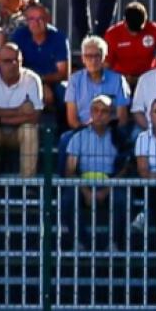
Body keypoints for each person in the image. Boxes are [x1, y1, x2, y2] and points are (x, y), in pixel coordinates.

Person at [0, 43, 43, 178]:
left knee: (30, 129)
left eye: (16, 60)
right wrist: (18, 111)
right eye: (7, 61)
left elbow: (35, 117)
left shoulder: (32, 79)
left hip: (18, 132)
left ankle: (27, 186)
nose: (12, 64)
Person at [65, 96, 123, 238]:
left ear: (111, 115)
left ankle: (114, 242)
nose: (99, 115)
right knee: (68, 199)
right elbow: (70, 170)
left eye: (104, 111)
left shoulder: (119, 137)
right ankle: (80, 242)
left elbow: (125, 168)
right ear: (90, 112)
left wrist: (105, 190)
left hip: (110, 182)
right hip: (83, 181)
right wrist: (85, 191)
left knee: (122, 200)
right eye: (95, 110)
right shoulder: (78, 137)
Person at [9, 2, 70, 111]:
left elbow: (63, 73)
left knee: (64, 91)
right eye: (31, 19)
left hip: (52, 83)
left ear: (48, 19)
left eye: (40, 18)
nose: (36, 23)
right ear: (26, 21)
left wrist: (42, 82)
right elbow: (11, 65)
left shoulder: (58, 37)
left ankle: (64, 127)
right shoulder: (19, 36)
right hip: (24, 81)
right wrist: (37, 84)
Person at [64, 35, 130, 131]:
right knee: (64, 140)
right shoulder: (74, 81)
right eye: (89, 56)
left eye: (97, 55)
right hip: (83, 130)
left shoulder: (118, 80)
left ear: (104, 57)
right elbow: (72, 120)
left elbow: (122, 118)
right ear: (82, 58)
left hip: (111, 131)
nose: (93, 60)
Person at [103, 2, 156, 89]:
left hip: (149, 79)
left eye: (138, 30)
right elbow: (106, 64)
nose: (134, 34)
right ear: (124, 21)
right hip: (121, 80)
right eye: (131, 30)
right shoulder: (112, 34)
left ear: (146, 20)